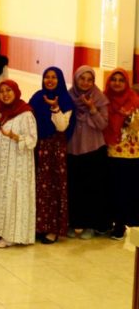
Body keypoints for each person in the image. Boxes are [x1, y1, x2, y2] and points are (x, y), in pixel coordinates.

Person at [0, 80, 37, 248]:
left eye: (9, 90)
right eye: (2, 91)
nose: (5, 94)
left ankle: (11, 235)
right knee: (0, 192)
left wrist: (15, 136)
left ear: (16, 92)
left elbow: (32, 140)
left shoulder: (25, 113)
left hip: (17, 164)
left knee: (12, 194)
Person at [29, 67, 74, 244]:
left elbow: (62, 127)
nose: (50, 80)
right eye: (46, 77)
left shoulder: (65, 99)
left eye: (54, 77)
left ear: (60, 79)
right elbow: (28, 117)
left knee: (53, 188)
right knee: (38, 187)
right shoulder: (37, 97)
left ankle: (52, 229)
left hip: (55, 149)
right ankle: (39, 226)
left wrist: (55, 107)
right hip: (38, 146)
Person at [66, 65, 109, 239]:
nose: (85, 83)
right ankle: (73, 223)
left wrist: (92, 108)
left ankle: (90, 224)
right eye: (82, 79)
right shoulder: (68, 96)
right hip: (72, 148)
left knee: (91, 189)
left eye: (89, 80)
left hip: (93, 149)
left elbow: (103, 125)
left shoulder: (99, 98)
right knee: (73, 188)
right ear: (76, 79)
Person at [103, 69, 139, 240]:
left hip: (129, 154)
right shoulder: (104, 100)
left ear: (126, 83)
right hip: (108, 150)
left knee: (124, 190)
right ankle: (107, 221)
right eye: (114, 79)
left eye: (121, 80)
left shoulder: (134, 101)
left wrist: (127, 117)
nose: (117, 83)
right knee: (110, 188)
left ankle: (120, 224)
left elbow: (136, 127)